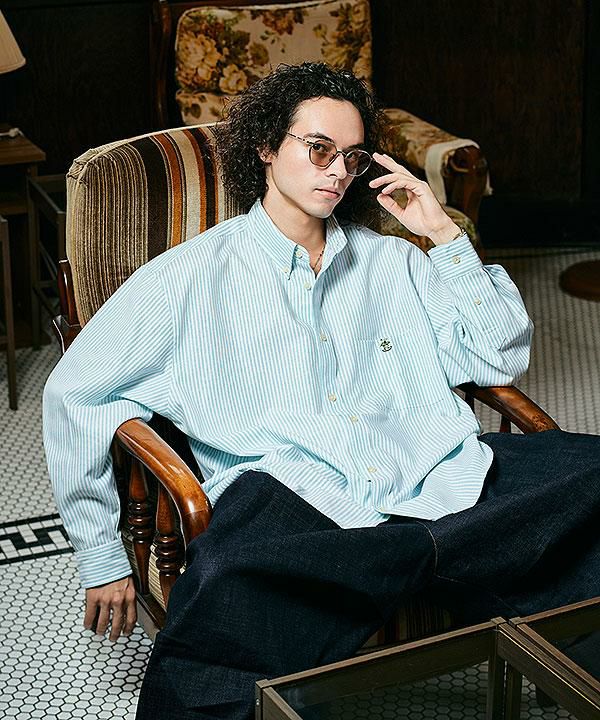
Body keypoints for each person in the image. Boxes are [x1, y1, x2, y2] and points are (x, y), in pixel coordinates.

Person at [43, 62, 600, 719]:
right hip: (296, 501)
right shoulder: (185, 279)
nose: (338, 171)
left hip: (441, 476)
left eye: (353, 157)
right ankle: (421, 564)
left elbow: (498, 354)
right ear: (266, 147)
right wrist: (102, 554)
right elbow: (77, 392)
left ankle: (505, 621)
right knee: (221, 600)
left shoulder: (396, 261)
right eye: (318, 149)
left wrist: (444, 233)